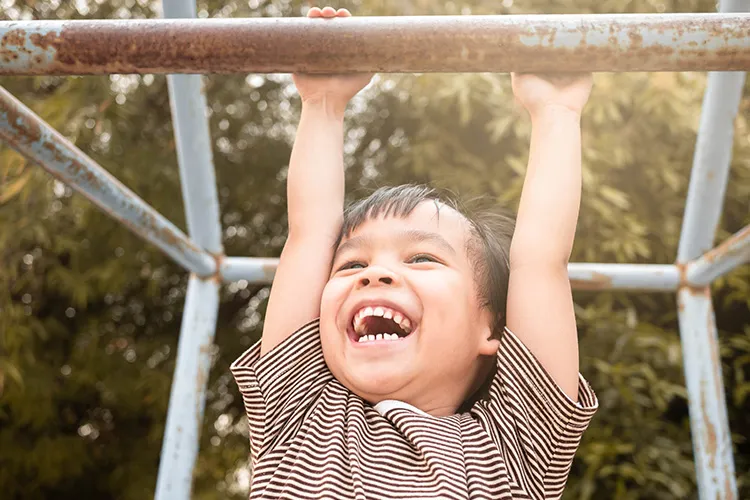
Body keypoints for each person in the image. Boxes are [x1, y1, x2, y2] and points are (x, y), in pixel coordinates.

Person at [231, 6, 598, 499]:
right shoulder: (297, 414)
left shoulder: (517, 447)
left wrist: (555, 111)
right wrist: (321, 103)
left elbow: (540, 261)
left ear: (490, 328)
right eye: (353, 264)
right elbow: (309, 234)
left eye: (422, 259)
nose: (374, 275)